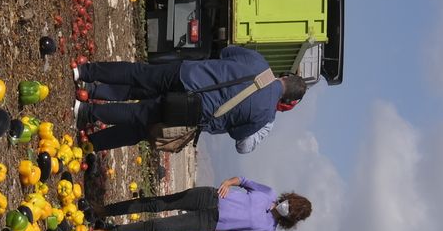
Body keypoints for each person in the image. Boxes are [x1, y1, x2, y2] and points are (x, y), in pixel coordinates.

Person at [71, 47, 305, 154]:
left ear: (285, 76)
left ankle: (84, 72)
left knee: (138, 74)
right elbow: (238, 135)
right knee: (141, 115)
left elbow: (226, 53)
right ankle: (86, 113)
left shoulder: (258, 61)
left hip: (189, 74)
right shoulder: (264, 116)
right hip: (194, 109)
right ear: (287, 102)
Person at [90, 178, 311, 231]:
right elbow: (243, 181)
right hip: (209, 196)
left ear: (291, 218)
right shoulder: (268, 192)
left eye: (291, 210)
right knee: (157, 203)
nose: (286, 207)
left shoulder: (268, 230)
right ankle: (104, 211)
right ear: (290, 197)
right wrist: (228, 183)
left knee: (158, 226)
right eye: (290, 202)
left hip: (209, 222)